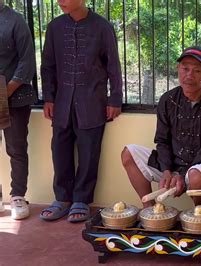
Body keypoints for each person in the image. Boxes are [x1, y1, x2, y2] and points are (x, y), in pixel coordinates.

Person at [39, 0, 122, 222]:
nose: (61, 1)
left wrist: (115, 100)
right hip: (62, 101)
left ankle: (81, 200)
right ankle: (62, 199)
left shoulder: (102, 27)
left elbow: (113, 65)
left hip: (92, 100)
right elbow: (47, 66)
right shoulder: (55, 27)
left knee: (89, 151)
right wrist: (49, 97)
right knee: (60, 148)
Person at [122, 46, 201, 208]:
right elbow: (162, 141)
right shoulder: (168, 100)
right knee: (129, 154)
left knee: (195, 176)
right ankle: (151, 211)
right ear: (178, 69)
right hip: (173, 165)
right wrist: (167, 171)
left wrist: (182, 174)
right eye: (185, 68)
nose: (189, 75)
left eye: (197, 71)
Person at [0, 0, 37, 220]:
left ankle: (17, 196)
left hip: (14, 96)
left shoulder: (16, 20)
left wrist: (6, 91)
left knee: (16, 148)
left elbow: (27, 61)